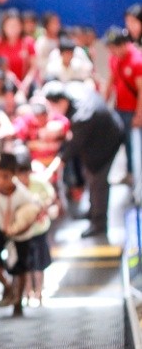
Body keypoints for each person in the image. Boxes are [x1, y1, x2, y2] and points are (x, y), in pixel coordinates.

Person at [44, 81, 125, 238]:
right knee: (90, 175)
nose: (51, 112)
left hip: (107, 143)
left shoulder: (82, 116)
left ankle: (99, 223)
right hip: (98, 139)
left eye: (51, 107)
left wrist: (53, 167)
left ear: (60, 102)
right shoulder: (72, 88)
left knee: (98, 181)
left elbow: (72, 147)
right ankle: (93, 211)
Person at [0, 152, 37, 316]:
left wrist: (20, 227)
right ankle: (7, 286)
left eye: (5, 177)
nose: (0, 181)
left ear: (14, 175)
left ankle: (18, 303)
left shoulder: (23, 196)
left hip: (19, 230)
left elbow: (32, 214)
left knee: (21, 265)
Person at [14, 146, 56, 307]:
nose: (22, 177)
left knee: (40, 263)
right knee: (26, 263)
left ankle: (39, 292)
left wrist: (43, 205)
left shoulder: (38, 183)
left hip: (39, 230)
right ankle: (27, 292)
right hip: (22, 232)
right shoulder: (15, 187)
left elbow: (50, 196)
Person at [103, 26, 142, 186]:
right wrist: (103, 103)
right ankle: (130, 173)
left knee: (136, 146)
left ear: (123, 44)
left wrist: (139, 115)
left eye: (113, 46)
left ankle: (137, 178)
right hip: (120, 109)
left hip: (133, 111)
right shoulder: (114, 58)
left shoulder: (136, 61)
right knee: (125, 144)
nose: (111, 50)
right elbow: (111, 81)